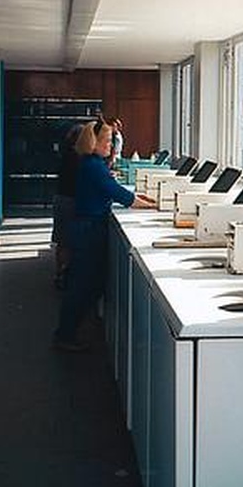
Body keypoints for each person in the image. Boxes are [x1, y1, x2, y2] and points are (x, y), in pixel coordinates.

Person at [53, 119, 155, 352]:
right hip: (89, 230)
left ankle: (68, 331)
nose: (111, 146)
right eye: (107, 141)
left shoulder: (92, 163)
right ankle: (65, 334)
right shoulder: (93, 166)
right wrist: (148, 205)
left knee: (86, 283)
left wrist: (144, 201)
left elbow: (114, 191)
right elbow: (116, 192)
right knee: (83, 284)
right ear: (94, 142)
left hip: (88, 227)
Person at [51, 122, 82, 289]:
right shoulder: (77, 156)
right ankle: (65, 275)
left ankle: (59, 274)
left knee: (61, 240)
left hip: (61, 198)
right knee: (68, 240)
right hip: (69, 200)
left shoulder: (67, 152)